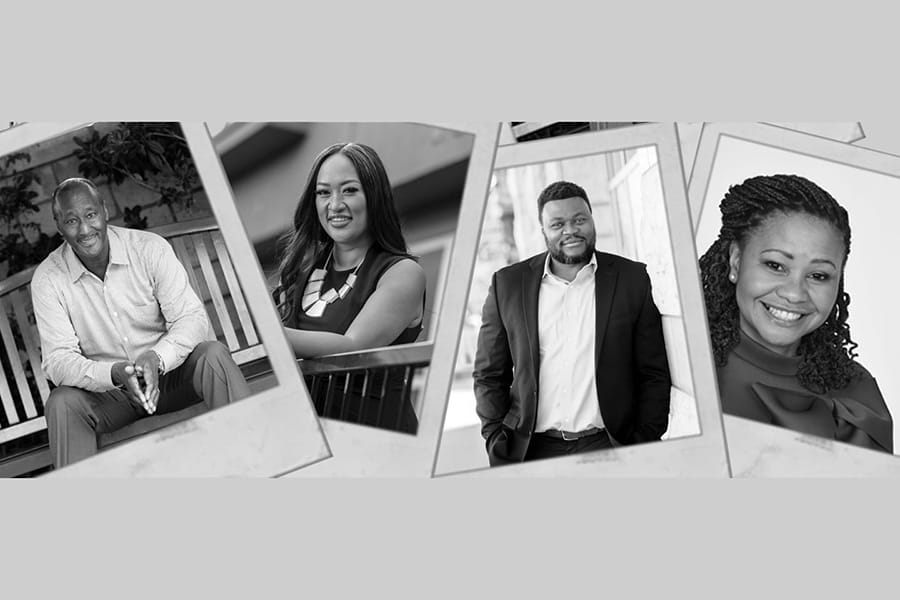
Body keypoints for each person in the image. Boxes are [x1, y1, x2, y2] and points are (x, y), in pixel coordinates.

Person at [31, 177, 251, 469]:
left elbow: (191, 318)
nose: (84, 230)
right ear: (59, 227)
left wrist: (156, 359)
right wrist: (113, 373)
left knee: (214, 356)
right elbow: (58, 360)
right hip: (110, 397)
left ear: (105, 210)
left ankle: (256, 461)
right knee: (62, 403)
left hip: (170, 379)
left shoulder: (148, 249)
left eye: (90, 215)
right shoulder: (48, 279)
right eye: (71, 221)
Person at [473, 180, 672, 466]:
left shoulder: (632, 278)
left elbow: (653, 371)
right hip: (531, 451)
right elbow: (489, 373)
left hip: (611, 445)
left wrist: (645, 439)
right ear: (543, 231)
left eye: (580, 220)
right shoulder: (508, 285)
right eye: (558, 224)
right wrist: (495, 435)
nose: (571, 231)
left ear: (592, 219)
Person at [698, 173, 892, 452]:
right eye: (775, 265)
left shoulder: (860, 396)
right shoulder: (686, 365)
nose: (794, 293)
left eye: (818, 275)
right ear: (736, 262)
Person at [274, 143, 426, 434]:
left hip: (376, 437)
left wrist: (265, 333)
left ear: (374, 196)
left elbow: (353, 348)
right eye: (323, 192)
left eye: (349, 190)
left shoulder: (403, 273)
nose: (334, 204)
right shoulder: (301, 272)